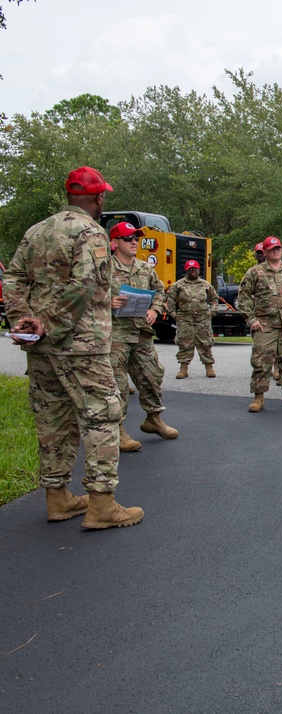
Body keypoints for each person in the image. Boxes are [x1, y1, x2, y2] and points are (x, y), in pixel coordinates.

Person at [2, 166, 143, 528]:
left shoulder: (37, 230)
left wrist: (24, 321)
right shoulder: (91, 232)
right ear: (99, 198)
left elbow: (13, 277)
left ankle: (57, 497)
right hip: (82, 344)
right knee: (102, 415)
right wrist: (49, 324)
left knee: (53, 418)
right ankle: (101, 504)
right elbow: (84, 284)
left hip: (42, 348)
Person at [108, 221, 178, 452]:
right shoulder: (103, 269)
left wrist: (155, 309)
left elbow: (159, 291)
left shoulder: (145, 268)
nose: (133, 242)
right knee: (116, 385)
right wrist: (107, 302)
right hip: (114, 335)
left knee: (152, 376)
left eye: (135, 238)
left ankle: (153, 419)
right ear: (114, 242)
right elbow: (85, 296)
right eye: (128, 238)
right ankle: (117, 430)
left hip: (141, 333)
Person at [237, 236, 282, 412]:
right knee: (261, 362)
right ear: (266, 252)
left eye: (278, 248)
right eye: (272, 249)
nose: (276, 251)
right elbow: (243, 296)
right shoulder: (255, 272)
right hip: (265, 325)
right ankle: (258, 398)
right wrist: (251, 319)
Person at [167, 259, 219, 379]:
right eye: (190, 269)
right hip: (185, 318)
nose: (192, 271)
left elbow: (214, 299)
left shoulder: (205, 284)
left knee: (205, 343)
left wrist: (212, 312)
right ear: (186, 270)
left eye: (194, 269)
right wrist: (174, 314)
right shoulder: (178, 285)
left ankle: (209, 368)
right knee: (184, 343)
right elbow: (171, 300)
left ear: (198, 270)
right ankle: (183, 369)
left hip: (202, 318)